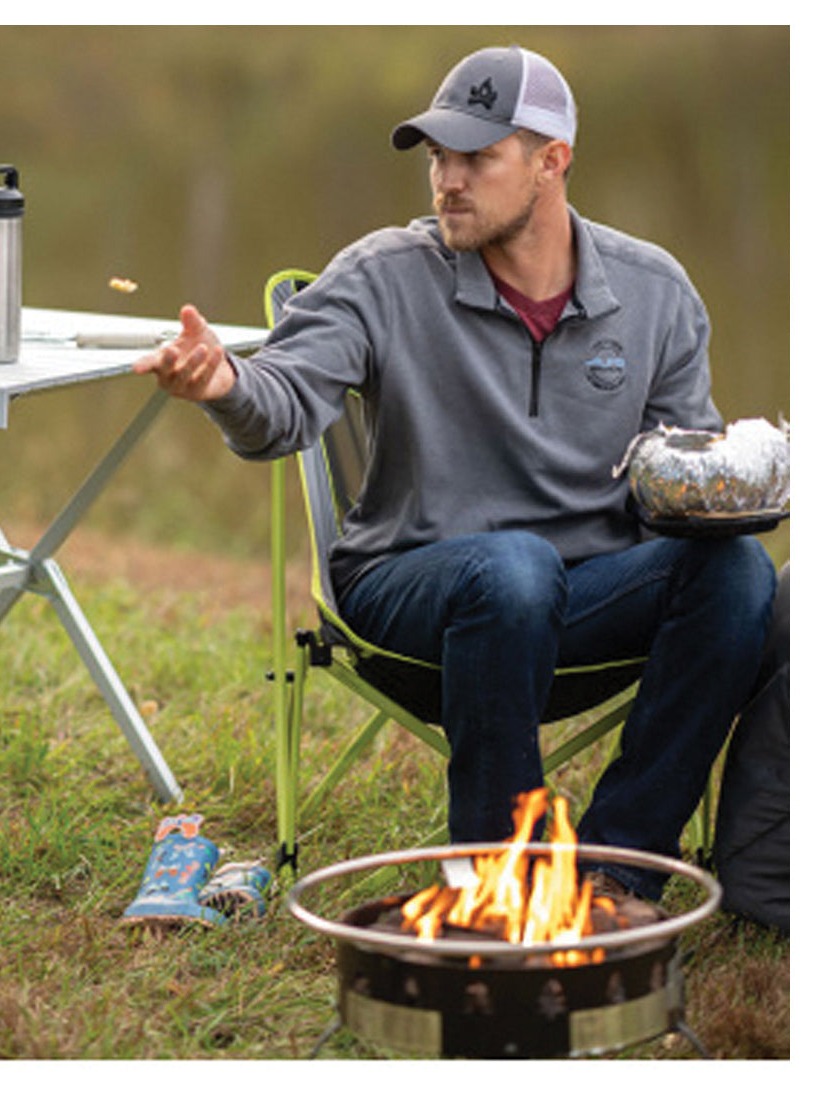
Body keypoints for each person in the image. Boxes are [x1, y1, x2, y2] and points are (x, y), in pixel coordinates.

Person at [134, 45, 777, 902]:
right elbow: (281, 403)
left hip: (585, 604)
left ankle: (618, 876)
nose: (447, 180)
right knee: (513, 569)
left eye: (476, 157)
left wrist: (739, 482)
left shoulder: (656, 293)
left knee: (735, 573)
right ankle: (499, 887)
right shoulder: (382, 276)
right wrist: (224, 386)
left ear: (553, 162)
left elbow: (678, 479)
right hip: (412, 599)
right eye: (439, 155)